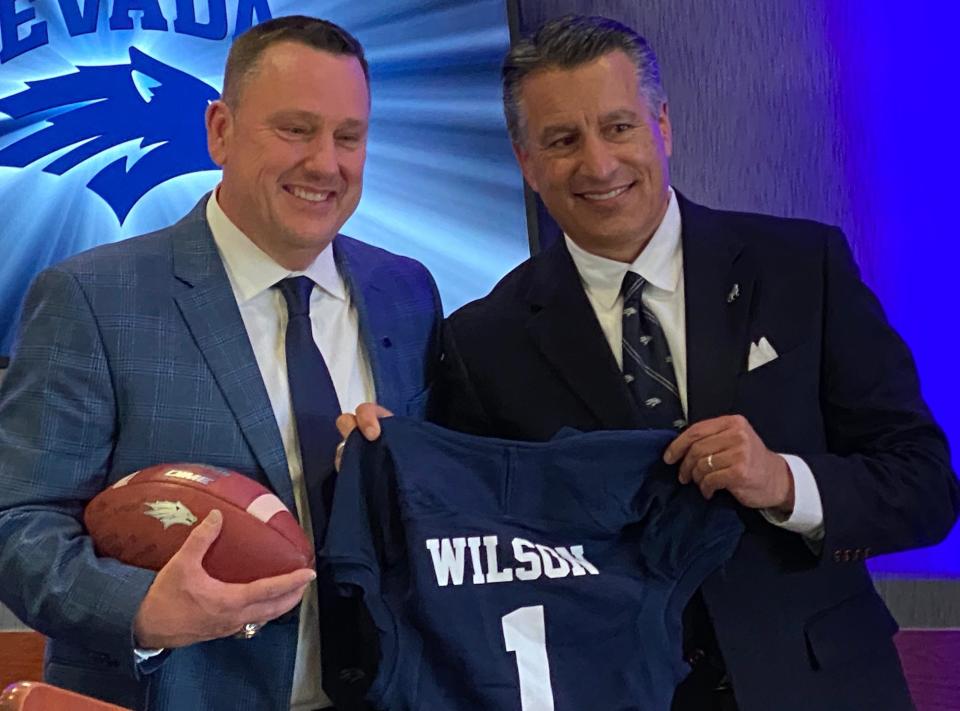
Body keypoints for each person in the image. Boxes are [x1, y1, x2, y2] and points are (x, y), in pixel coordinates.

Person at [343, 14, 959, 711]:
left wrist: (786, 481)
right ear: (526, 159)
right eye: (563, 140)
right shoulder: (485, 341)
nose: (599, 164)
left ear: (662, 125)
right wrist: (396, 461)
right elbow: (479, 552)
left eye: (619, 127)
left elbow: (925, 488)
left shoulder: (801, 269)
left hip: (825, 687)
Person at [0, 16, 440, 711]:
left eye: (348, 136)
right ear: (220, 130)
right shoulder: (90, 297)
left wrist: (412, 466)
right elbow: (19, 521)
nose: (326, 163)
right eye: (296, 129)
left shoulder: (407, 293)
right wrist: (143, 609)